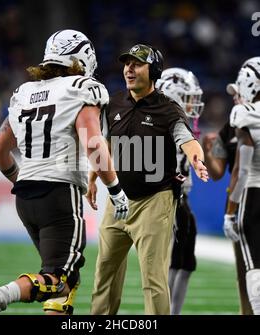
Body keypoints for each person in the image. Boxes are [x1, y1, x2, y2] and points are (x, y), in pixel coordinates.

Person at [0, 29, 129, 315]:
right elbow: (93, 142)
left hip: (26, 197)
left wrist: (20, 179)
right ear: (81, 57)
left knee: (65, 278)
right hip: (59, 193)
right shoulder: (80, 87)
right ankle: (0, 295)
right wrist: (116, 189)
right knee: (58, 279)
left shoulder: (24, 93)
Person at [87, 44, 209, 315]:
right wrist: (93, 178)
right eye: (127, 63)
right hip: (117, 201)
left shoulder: (168, 109)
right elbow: (104, 143)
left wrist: (196, 159)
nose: (129, 69)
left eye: (137, 64)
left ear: (153, 70)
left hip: (154, 202)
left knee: (153, 281)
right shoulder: (114, 103)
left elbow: (186, 139)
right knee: (103, 276)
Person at [155, 67, 204, 315]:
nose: (192, 104)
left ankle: (174, 312)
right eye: (187, 97)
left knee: (186, 262)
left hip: (182, 199)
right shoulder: (160, 122)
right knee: (172, 260)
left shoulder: (184, 124)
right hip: (167, 197)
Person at [203, 84, 253, 315]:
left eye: (239, 92)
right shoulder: (230, 128)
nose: (236, 98)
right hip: (239, 203)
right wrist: (206, 150)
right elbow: (216, 173)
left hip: (251, 198)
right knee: (244, 270)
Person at [223, 57, 260, 315]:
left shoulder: (243, 113)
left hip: (253, 195)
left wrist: (230, 210)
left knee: (254, 266)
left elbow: (242, 167)